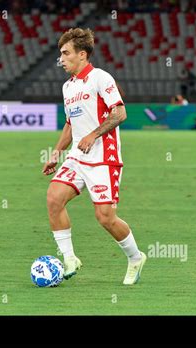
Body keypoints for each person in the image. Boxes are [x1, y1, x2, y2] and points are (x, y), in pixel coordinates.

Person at [42, 28, 146, 285]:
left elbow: (120, 113)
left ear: (82, 55)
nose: (61, 59)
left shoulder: (100, 78)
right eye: (61, 54)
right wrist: (56, 153)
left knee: (105, 218)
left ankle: (135, 257)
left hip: (103, 158)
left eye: (66, 53)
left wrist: (93, 135)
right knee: (54, 198)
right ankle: (69, 259)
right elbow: (70, 124)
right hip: (77, 157)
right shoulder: (68, 87)